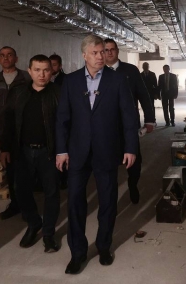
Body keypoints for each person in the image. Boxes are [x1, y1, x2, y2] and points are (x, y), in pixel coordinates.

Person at [56, 34, 138, 274]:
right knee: (75, 203)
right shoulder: (71, 81)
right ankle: (77, 253)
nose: (101, 56)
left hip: (107, 150)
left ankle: (104, 247)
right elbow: (62, 119)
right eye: (95, 53)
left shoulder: (117, 79)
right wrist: (61, 150)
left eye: (103, 52)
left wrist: (130, 147)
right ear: (84, 55)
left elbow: (129, 116)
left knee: (108, 201)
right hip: (77, 151)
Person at [0, 55, 61, 253]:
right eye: (37, 70)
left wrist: (64, 151)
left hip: (49, 152)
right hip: (23, 151)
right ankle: (34, 223)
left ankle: (49, 234)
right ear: (29, 71)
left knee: (52, 192)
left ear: (51, 71)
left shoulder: (59, 93)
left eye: (46, 70)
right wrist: (5, 148)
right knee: (21, 190)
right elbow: (8, 121)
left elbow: (67, 125)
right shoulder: (18, 93)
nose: (42, 74)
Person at [0, 46, 31, 221]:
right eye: (2, 55)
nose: (6, 58)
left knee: (27, 171)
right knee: (11, 171)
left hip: (27, 131)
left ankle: (28, 206)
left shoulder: (26, 78)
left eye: (9, 55)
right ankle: (15, 204)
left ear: (16, 58)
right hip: (5, 133)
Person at [104, 39, 155, 204]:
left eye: (112, 49)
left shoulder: (130, 70)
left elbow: (144, 96)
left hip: (129, 124)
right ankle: (110, 195)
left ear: (117, 51)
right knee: (108, 161)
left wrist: (150, 120)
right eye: (106, 50)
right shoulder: (98, 71)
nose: (109, 52)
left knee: (134, 160)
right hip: (106, 126)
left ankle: (133, 184)